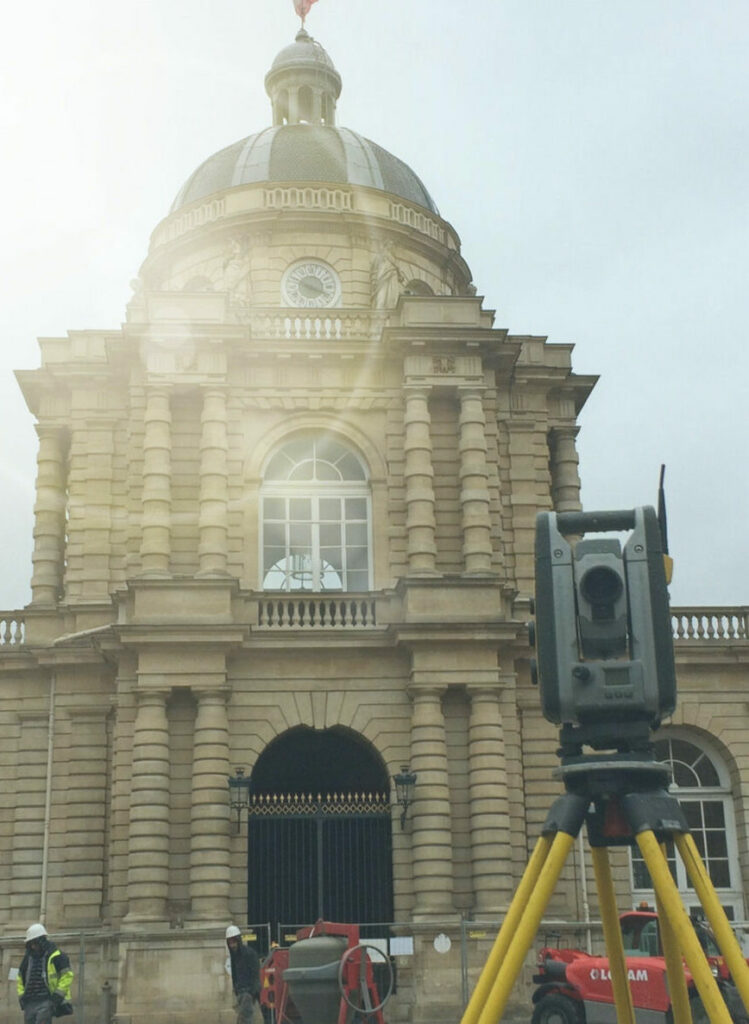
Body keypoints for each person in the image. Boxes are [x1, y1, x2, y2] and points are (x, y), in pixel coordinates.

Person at [17, 923, 73, 1024]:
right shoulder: (28, 958)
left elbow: (66, 976)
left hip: (46, 1000)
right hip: (29, 1002)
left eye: (35, 943)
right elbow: (20, 977)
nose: (33, 946)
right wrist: (22, 997)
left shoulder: (56, 956)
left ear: (41, 940)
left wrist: (57, 997)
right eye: (31, 944)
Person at [226, 925, 261, 1024]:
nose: (232, 945)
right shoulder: (234, 956)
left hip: (248, 993)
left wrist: (251, 992)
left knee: (245, 1019)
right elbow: (235, 975)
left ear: (238, 940)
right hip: (241, 993)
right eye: (230, 942)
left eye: (234, 942)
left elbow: (255, 974)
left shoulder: (249, 953)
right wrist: (236, 989)